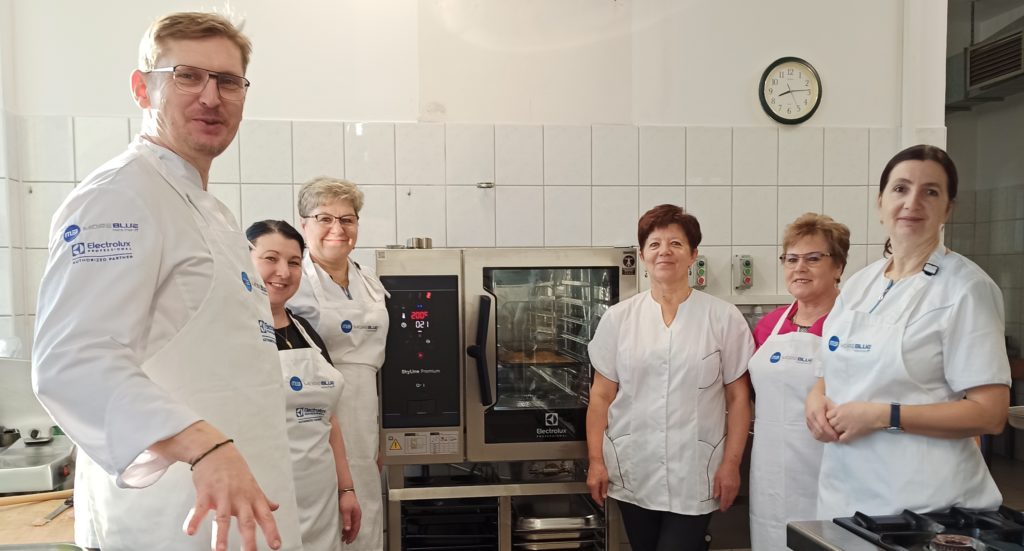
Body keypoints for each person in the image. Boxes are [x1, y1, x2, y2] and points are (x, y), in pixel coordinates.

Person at [32, 12, 302, 551]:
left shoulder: (210, 212)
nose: (211, 96)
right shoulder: (119, 196)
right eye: (187, 76)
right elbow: (71, 360)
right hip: (169, 522)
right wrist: (203, 444)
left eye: (228, 81)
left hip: (242, 511)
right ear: (142, 88)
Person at [806, 144, 1011, 519]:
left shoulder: (967, 290)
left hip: (927, 509)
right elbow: (829, 373)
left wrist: (885, 415)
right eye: (900, 188)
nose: (912, 202)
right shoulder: (859, 285)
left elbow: (990, 414)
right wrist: (815, 401)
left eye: (930, 192)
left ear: (947, 208)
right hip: (844, 496)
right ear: (880, 201)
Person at [585, 204, 754, 551]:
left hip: (695, 470)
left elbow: (739, 398)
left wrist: (731, 464)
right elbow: (601, 396)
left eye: (676, 243)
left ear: (693, 255)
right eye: (655, 244)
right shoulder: (619, 319)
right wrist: (596, 462)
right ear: (643, 256)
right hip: (633, 467)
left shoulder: (723, 318)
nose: (664, 251)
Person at [247, 220, 362, 549]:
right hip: (264, 496)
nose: (283, 272)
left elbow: (329, 418)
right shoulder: (234, 332)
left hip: (320, 496)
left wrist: (346, 488)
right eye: (271, 259)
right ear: (244, 262)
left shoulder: (306, 330)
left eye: (294, 262)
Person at [288, 177, 389, 551]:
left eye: (347, 219)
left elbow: (377, 366)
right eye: (325, 218)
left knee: (364, 518)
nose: (338, 229)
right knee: (321, 521)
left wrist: (377, 435)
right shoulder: (292, 280)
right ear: (304, 225)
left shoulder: (370, 281)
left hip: (364, 416)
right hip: (312, 417)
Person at [748, 213, 850, 550]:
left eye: (813, 258)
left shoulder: (852, 325)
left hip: (829, 468)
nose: (799, 268)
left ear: (838, 266)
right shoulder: (769, 325)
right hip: (770, 473)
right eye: (791, 259)